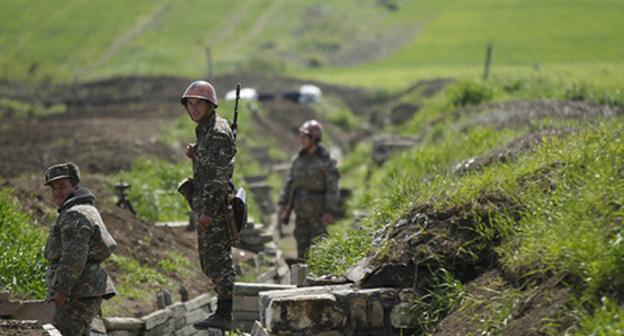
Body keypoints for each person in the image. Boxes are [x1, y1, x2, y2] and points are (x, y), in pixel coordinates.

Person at [180, 80, 237, 330]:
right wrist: (197, 152)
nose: (194, 109)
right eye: (190, 104)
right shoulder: (204, 129)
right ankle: (222, 310)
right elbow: (211, 163)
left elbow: (218, 177)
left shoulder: (216, 132)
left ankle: (225, 313)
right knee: (210, 261)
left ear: (210, 104)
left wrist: (209, 212)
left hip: (214, 207)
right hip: (205, 203)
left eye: (198, 104)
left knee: (218, 260)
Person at [43, 162, 116, 336]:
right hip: (85, 288)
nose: (57, 192)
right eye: (53, 188)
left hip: (77, 290)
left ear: (75, 186)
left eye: (62, 186)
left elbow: (73, 257)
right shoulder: (86, 209)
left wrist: (62, 289)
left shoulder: (73, 214)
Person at [278, 120, 340, 260]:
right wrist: (283, 204)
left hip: (319, 213)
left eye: (305, 136)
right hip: (301, 213)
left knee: (320, 247)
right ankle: (302, 278)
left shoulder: (326, 161)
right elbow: (290, 183)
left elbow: (332, 188)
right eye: (301, 136)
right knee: (302, 248)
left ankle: (319, 278)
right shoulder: (298, 160)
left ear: (314, 138)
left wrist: (329, 210)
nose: (302, 139)